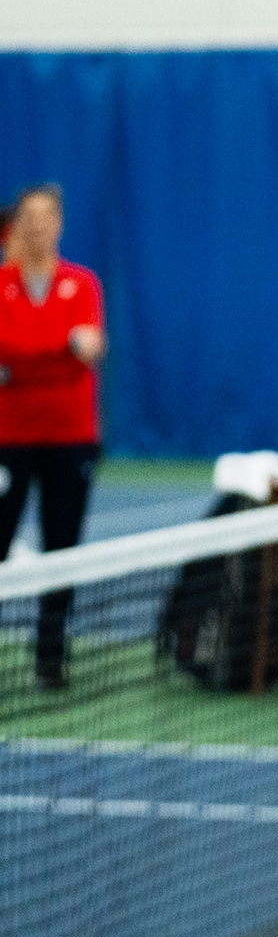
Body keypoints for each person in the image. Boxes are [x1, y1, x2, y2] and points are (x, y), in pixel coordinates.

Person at [0, 184, 107, 688]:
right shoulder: (2, 284)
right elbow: (33, 348)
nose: (38, 226)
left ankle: (50, 656)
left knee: (62, 548)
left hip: (70, 436)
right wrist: (58, 347)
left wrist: (20, 363)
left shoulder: (83, 284)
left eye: (47, 217)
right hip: (9, 437)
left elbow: (88, 349)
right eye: (29, 217)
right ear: (17, 225)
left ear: (60, 225)